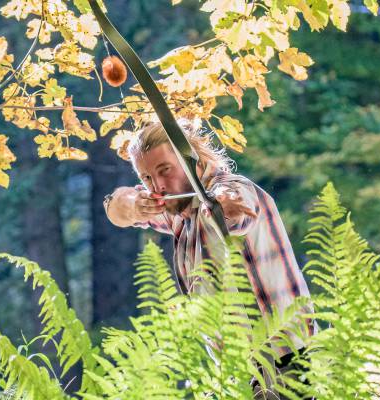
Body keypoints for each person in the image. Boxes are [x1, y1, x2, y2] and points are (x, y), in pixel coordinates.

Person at [103, 121, 315, 397]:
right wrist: (135, 205)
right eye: (146, 178)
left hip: (287, 365)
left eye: (164, 170)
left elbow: (235, 208)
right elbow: (114, 207)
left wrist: (222, 205)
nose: (157, 186)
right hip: (242, 373)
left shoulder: (234, 189)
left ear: (193, 158)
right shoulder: (178, 207)